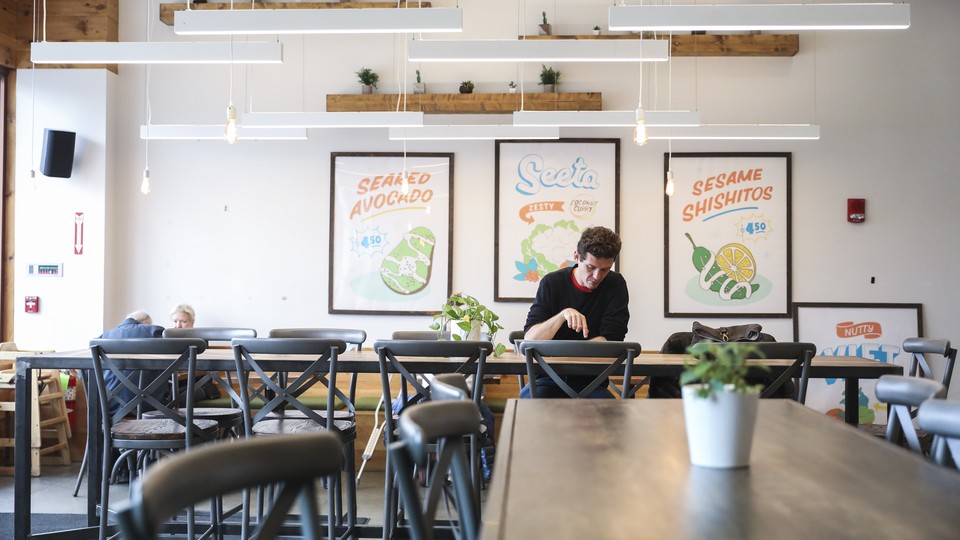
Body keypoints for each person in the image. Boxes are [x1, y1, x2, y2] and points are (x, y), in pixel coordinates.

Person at [521, 226, 630, 398]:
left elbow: (612, 341)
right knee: (532, 408)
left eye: (605, 270)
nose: (596, 276)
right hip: (547, 380)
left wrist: (563, 353)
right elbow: (530, 340)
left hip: (593, 381)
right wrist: (562, 315)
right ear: (576, 257)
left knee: (610, 414)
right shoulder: (552, 283)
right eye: (590, 267)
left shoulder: (615, 285)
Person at [98, 310, 165, 416]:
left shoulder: (101, 338)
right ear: (146, 323)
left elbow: (86, 375)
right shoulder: (154, 332)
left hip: (109, 411)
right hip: (148, 409)